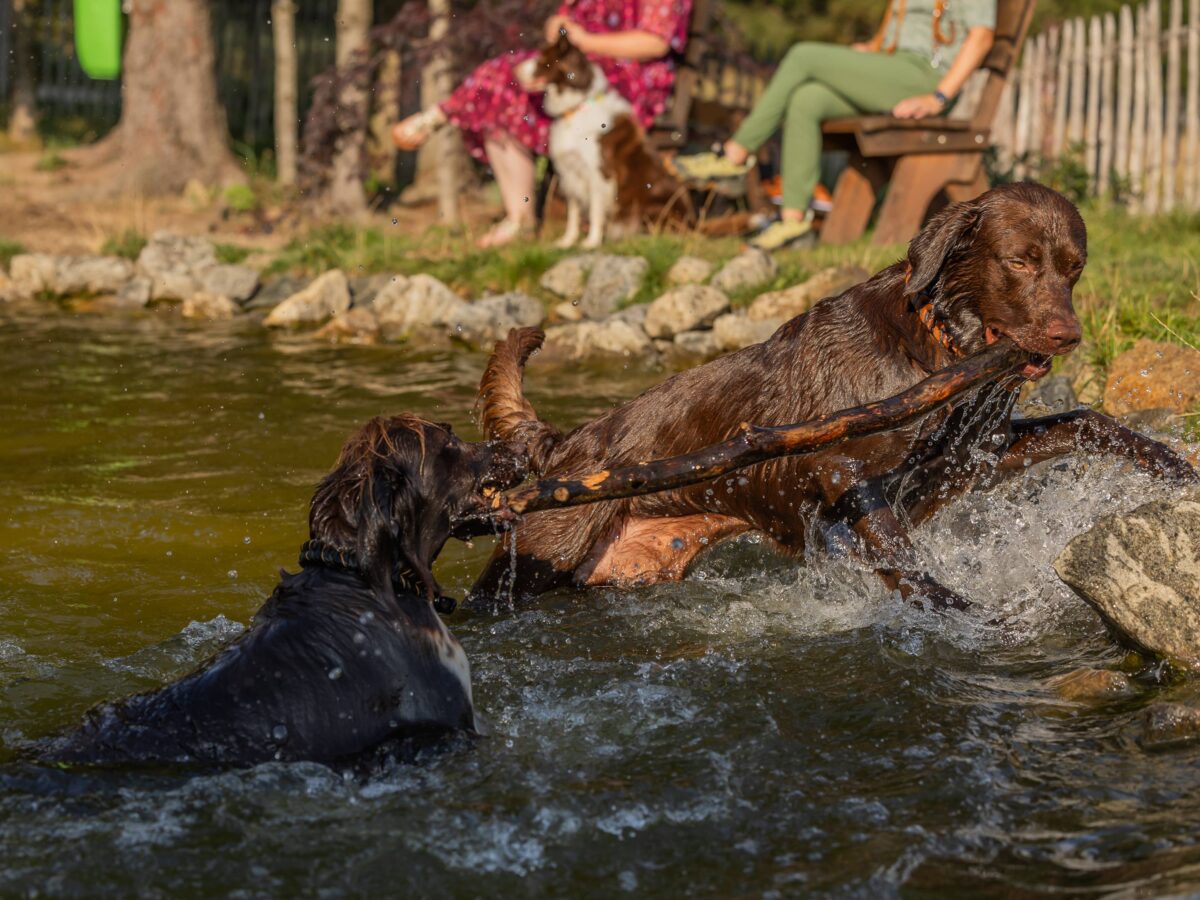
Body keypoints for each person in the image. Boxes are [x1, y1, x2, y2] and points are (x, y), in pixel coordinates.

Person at [680, 0, 996, 250]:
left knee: (803, 56)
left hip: (927, 77)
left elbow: (981, 37)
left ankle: (736, 152)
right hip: (894, 68)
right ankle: (793, 219)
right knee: (808, 98)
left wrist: (937, 97)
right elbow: (908, 29)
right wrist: (869, 50)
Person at [393, 0, 691, 248]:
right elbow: (561, 21)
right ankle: (518, 216)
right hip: (574, 72)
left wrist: (583, 41)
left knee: (502, 80)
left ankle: (439, 116)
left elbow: (654, 42)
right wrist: (559, 27)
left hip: (624, 80)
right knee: (498, 89)